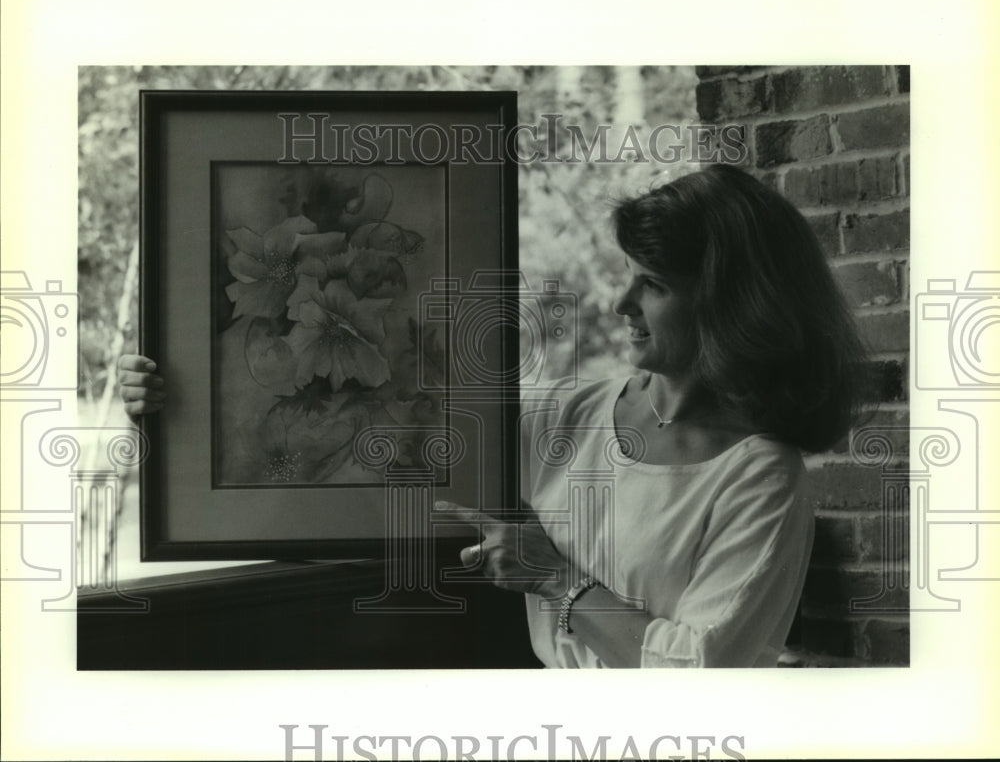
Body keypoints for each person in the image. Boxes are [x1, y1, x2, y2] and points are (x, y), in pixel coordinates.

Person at [119, 163, 866, 668]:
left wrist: (557, 580)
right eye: (627, 280)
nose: (620, 306)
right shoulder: (569, 416)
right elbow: (381, 436)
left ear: (734, 306)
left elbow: (702, 683)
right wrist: (175, 407)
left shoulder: (762, 477)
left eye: (653, 286)